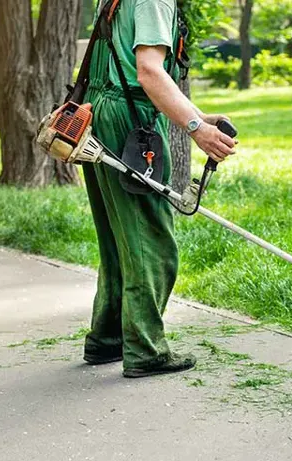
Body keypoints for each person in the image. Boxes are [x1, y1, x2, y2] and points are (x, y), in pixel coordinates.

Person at [82, 0, 237, 378]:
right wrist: (197, 130)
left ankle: (107, 339)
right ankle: (145, 350)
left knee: (119, 237)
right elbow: (149, 73)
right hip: (131, 124)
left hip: (100, 114)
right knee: (151, 241)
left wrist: (196, 114)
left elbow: (124, 72)